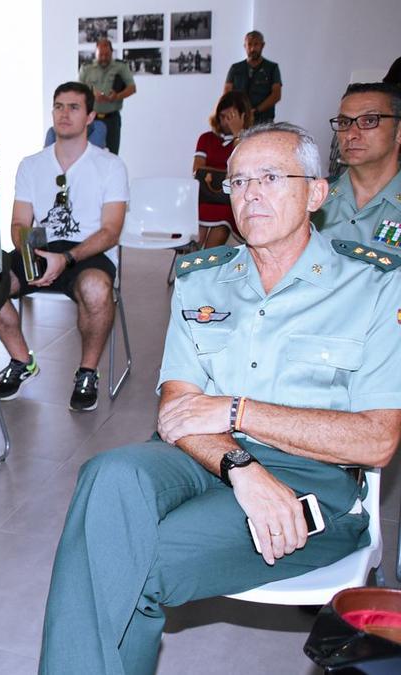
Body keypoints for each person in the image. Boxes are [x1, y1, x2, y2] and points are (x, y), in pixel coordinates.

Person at [38, 122, 401, 675]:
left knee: (122, 561)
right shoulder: (200, 278)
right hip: (207, 453)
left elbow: (376, 440)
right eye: (236, 182)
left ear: (318, 192)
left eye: (271, 177)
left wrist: (238, 411)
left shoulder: (374, 286)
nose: (249, 194)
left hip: (315, 482)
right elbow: (178, 411)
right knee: (109, 472)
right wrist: (242, 465)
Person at [0, 82, 128, 413]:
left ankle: (87, 372)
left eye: (74, 107)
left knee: (95, 288)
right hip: (40, 250)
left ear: (91, 115)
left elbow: (111, 231)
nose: (64, 114)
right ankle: (22, 361)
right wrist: (34, 259)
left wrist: (64, 259)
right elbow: (19, 223)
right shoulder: (31, 164)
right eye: (59, 106)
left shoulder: (110, 165)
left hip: (88, 254)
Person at [313, 83, 401, 245]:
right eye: (345, 123)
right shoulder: (313, 199)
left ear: (399, 131)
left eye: (369, 121)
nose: (350, 135)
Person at [193, 91, 254, 248]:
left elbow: (242, 166)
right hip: (205, 196)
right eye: (222, 117)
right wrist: (225, 174)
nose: (226, 122)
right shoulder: (206, 138)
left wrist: (237, 134)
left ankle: (207, 264)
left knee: (223, 220)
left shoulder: (249, 141)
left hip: (229, 200)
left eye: (231, 117)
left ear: (242, 116)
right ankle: (192, 264)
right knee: (198, 222)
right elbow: (197, 170)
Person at [77, 38, 136, 154]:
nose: (104, 58)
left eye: (107, 55)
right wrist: (92, 95)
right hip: (91, 119)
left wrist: (117, 96)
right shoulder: (86, 68)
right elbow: (78, 92)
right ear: (96, 53)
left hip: (112, 120)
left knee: (112, 156)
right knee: (89, 155)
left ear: (111, 52)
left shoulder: (121, 67)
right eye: (101, 55)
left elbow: (132, 88)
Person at [224, 30, 282, 125]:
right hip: (240, 120)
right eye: (249, 44)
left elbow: (276, 95)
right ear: (244, 46)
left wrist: (256, 110)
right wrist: (236, 111)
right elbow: (227, 93)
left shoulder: (272, 68)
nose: (252, 48)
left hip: (264, 121)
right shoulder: (235, 68)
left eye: (256, 44)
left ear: (262, 45)